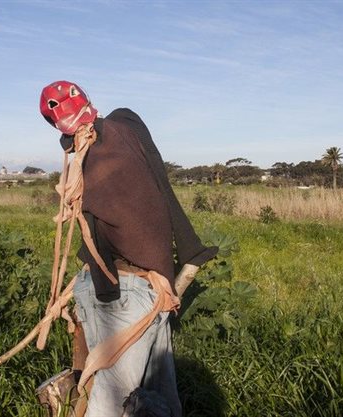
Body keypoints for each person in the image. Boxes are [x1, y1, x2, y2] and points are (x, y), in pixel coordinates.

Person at [39, 80, 217, 417]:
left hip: (112, 286)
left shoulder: (87, 157)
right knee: (111, 403)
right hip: (129, 293)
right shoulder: (122, 131)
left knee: (158, 401)